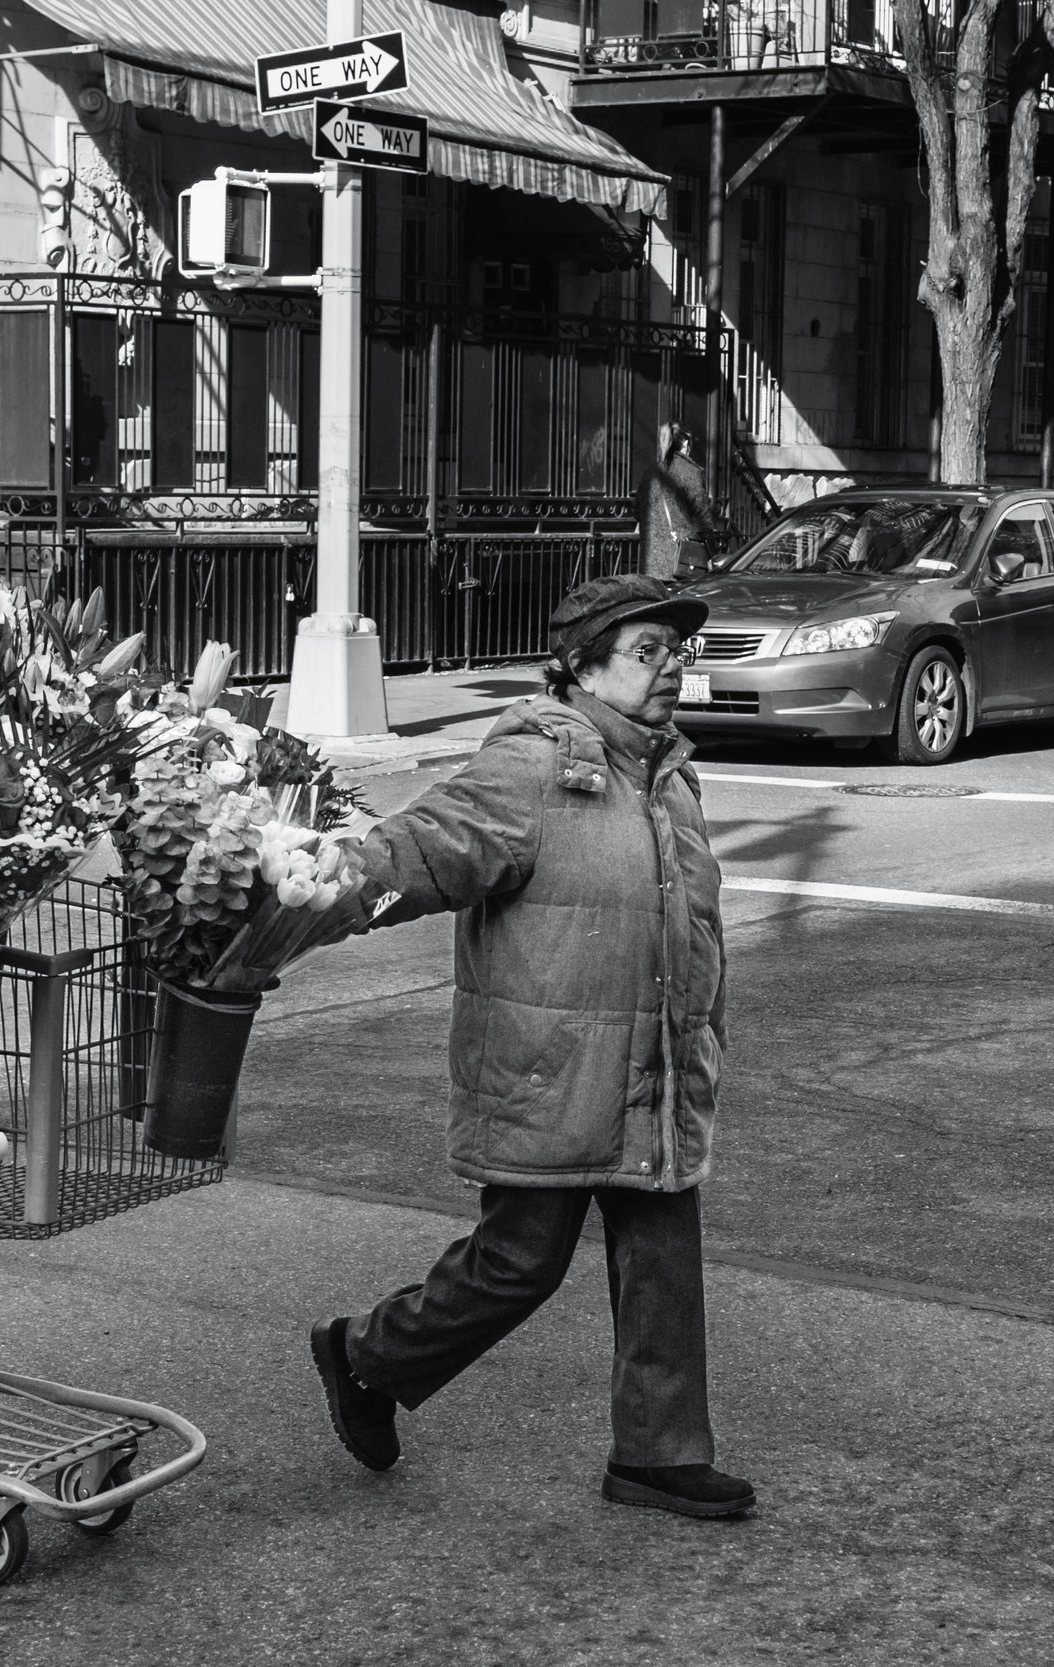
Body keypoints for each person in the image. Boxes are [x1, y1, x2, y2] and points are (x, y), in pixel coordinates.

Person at [309, 572, 753, 1520]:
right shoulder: (533, 762)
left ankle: (659, 1453)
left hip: (657, 1066)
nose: (671, 667)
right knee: (519, 1262)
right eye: (647, 651)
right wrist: (311, 889)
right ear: (583, 664)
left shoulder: (667, 770)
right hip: (552, 1070)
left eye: (677, 650)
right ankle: (364, 1354)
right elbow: (424, 847)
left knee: (663, 1259)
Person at [645, 423, 714, 581]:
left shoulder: (651, 473)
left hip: (652, 564)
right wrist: (713, 552)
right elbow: (703, 519)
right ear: (685, 445)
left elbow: (638, 511)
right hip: (682, 563)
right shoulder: (691, 473)